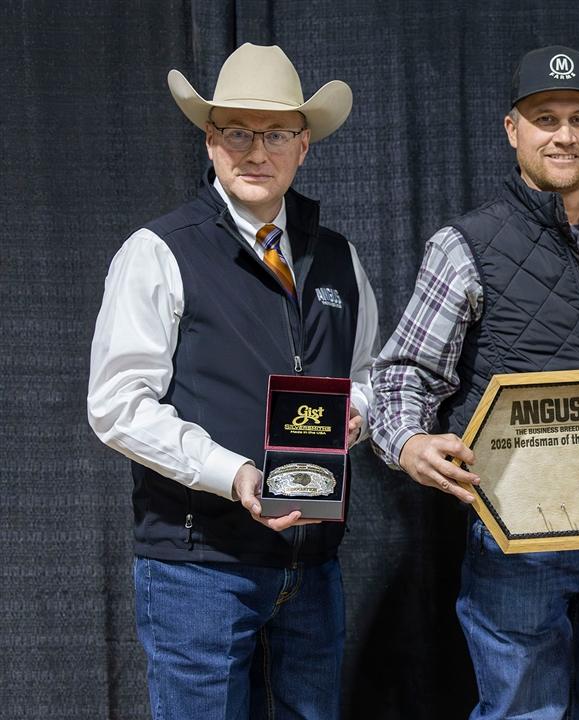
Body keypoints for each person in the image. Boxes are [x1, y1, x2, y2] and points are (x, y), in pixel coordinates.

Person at [370, 45, 579, 720]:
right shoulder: (466, 244)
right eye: (544, 118)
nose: (563, 134)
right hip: (519, 541)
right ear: (513, 129)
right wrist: (408, 444)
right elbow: (402, 375)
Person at [87, 44, 379, 719]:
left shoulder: (339, 257)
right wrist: (233, 473)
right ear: (211, 142)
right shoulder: (159, 251)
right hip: (199, 568)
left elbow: (367, 374)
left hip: (313, 566)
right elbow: (117, 406)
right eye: (238, 132)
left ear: (302, 147)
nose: (257, 151)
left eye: (275, 133)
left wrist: (355, 417)